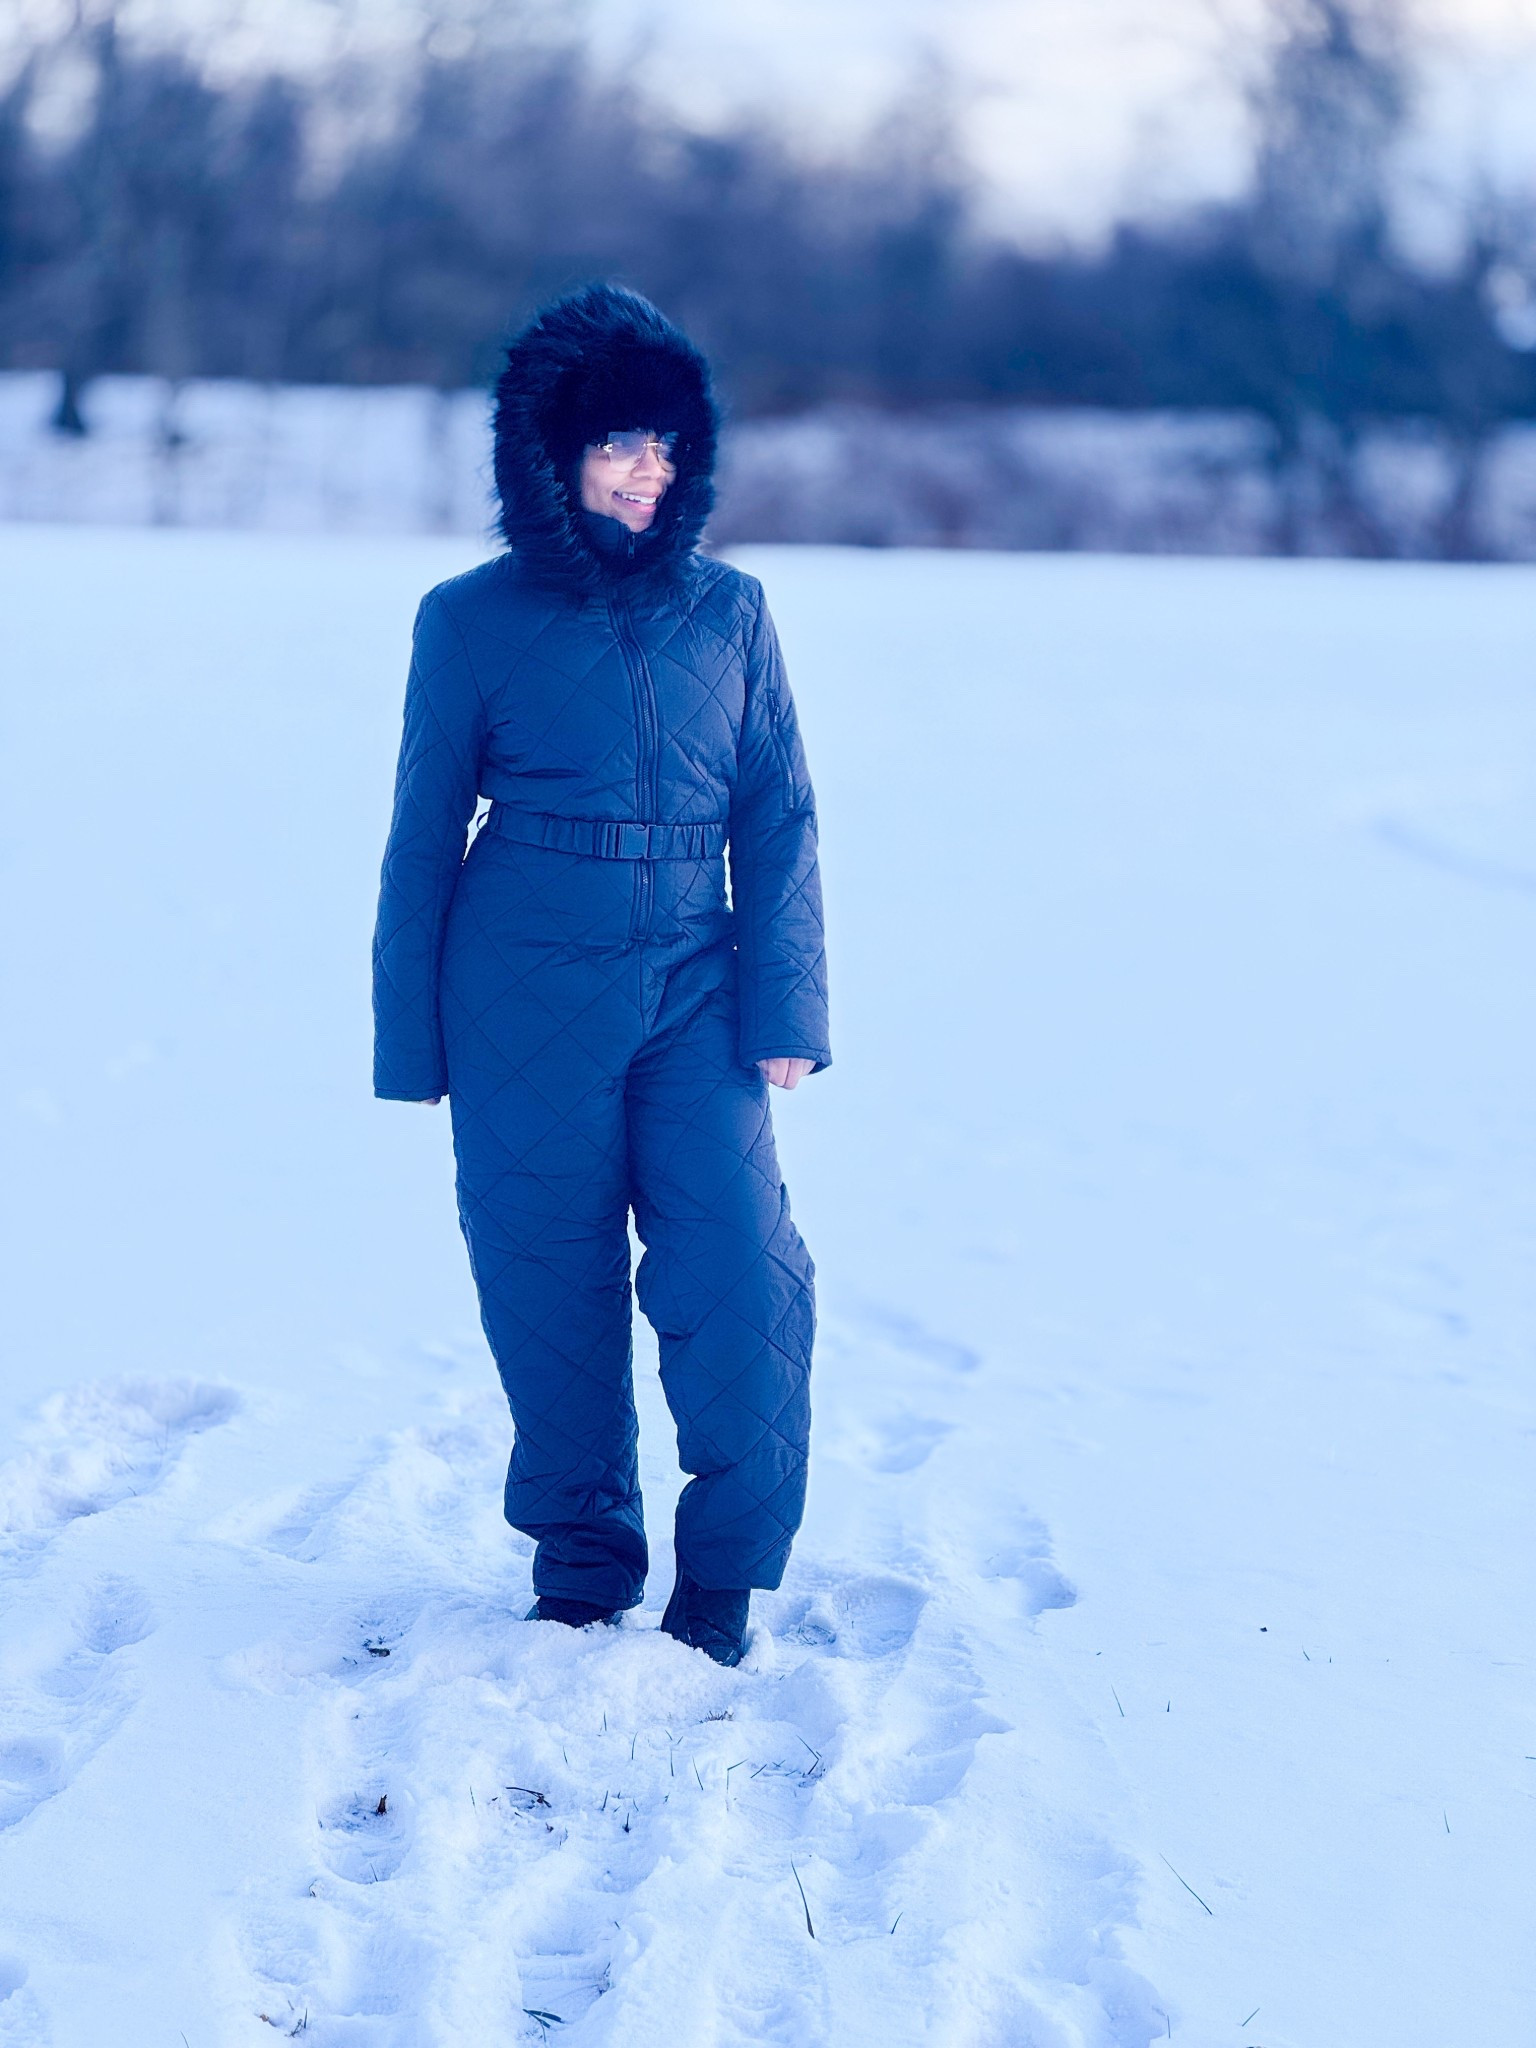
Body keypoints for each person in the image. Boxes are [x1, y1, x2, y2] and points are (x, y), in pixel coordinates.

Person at [371, 283, 830, 1667]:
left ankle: (727, 1578)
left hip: (698, 978)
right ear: (550, 457)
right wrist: (412, 1041)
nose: (648, 472)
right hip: (516, 991)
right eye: (619, 445)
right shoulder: (468, 620)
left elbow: (781, 814)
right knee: (545, 1279)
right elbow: (421, 833)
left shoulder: (732, 612)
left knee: (746, 1273)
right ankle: (580, 1562)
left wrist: (788, 1009)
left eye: (666, 446)